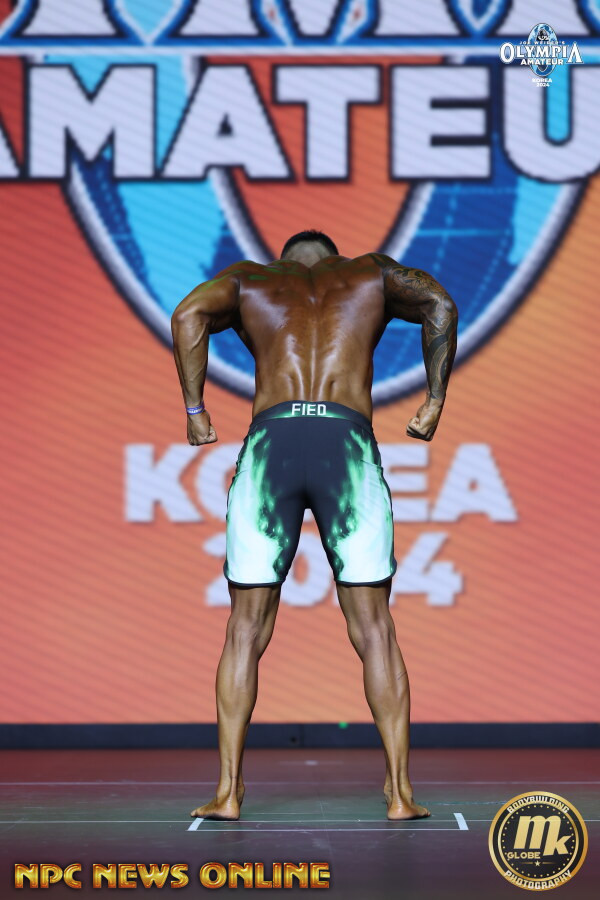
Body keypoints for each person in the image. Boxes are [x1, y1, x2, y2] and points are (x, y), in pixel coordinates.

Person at [171, 230, 458, 821]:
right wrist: (434, 400)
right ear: (332, 257)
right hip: (344, 442)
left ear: (286, 259)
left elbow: (187, 314)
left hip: (272, 444)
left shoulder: (252, 279)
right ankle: (400, 794)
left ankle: (228, 793)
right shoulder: (368, 272)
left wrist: (195, 410)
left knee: (244, 629)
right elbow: (440, 303)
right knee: (375, 629)